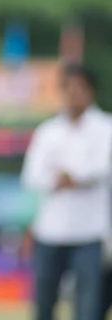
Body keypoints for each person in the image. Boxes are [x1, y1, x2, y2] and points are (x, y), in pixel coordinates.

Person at [21, 62, 112, 320]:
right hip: (50, 231)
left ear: (91, 91)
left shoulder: (105, 128)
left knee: (88, 307)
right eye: (68, 88)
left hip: (90, 233)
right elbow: (32, 176)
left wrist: (72, 174)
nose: (74, 94)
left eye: (80, 88)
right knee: (43, 305)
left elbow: (102, 167)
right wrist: (63, 178)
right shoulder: (48, 131)